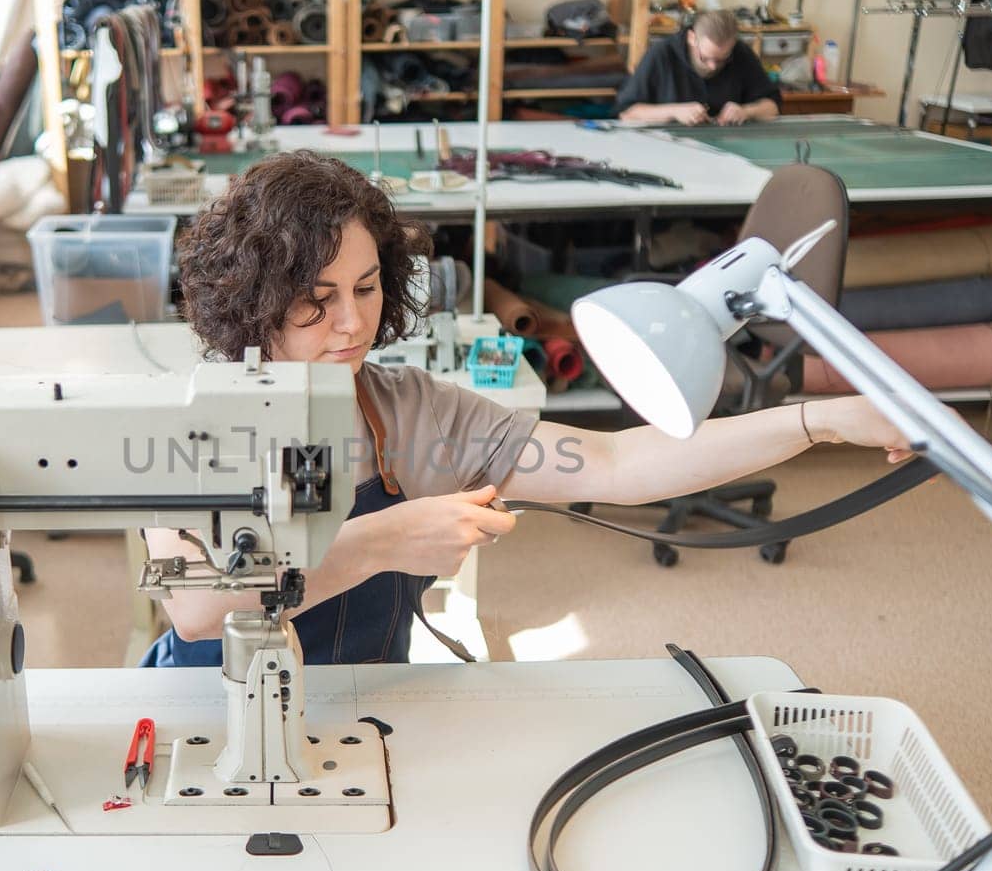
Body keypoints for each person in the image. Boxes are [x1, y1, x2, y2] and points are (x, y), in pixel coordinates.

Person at [139, 152, 906, 667]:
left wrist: (816, 421)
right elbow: (199, 608)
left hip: (369, 707)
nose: (351, 323)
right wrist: (384, 539)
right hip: (202, 718)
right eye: (317, 300)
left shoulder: (410, 412)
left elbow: (617, 462)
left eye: (367, 289)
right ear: (255, 301)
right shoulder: (197, 423)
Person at [616, 9, 781, 126]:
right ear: (691, 38)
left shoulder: (741, 53)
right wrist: (674, 111)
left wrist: (746, 111)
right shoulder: (661, 54)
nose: (712, 66)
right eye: (706, 58)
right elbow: (628, 113)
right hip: (669, 148)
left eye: (722, 60)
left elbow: (772, 107)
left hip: (727, 149)